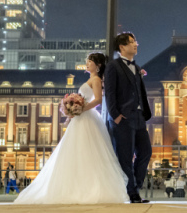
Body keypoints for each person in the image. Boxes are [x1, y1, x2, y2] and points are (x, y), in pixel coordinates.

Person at [14, 52, 129, 204]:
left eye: (90, 61)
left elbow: (98, 100)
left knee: (86, 152)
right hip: (81, 118)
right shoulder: (91, 79)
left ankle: (87, 189)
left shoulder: (96, 79)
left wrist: (80, 109)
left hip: (87, 119)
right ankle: (77, 188)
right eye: (87, 61)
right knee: (76, 152)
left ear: (98, 65)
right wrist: (73, 112)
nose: (87, 63)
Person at [104, 32, 153, 204]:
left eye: (135, 41)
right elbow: (109, 93)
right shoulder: (113, 66)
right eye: (132, 42)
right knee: (125, 157)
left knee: (146, 152)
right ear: (122, 47)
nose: (135, 44)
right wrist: (115, 116)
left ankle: (134, 188)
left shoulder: (137, 68)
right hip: (123, 118)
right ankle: (132, 193)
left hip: (139, 117)